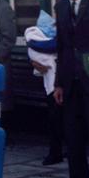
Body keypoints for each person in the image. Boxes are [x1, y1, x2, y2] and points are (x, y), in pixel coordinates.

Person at [52, 0, 89, 178]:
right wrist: (58, 83)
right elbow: (62, 47)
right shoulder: (61, 7)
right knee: (74, 141)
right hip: (70, 84)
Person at [26, 10, 64, 165]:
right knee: (55, 118)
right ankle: (56, 152)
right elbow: (42, 49)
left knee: (62, 118)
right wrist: (34, 63)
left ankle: (57, 152)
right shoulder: (39, 36)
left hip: (66, 79)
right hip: (55, 82)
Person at [0, 0, 17, 134]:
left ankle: (7, 132)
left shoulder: (3, 8)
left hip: (0, 62)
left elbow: (9, 37)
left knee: (2, 101)